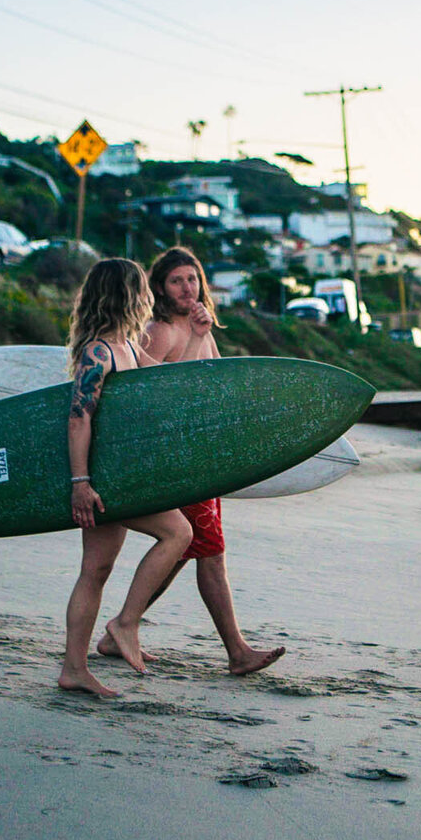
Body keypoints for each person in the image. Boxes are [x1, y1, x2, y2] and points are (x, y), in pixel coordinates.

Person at [95, 245, 285, 677]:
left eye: (193, 278)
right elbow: (147, 393)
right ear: (160, 287)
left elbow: (211, 386)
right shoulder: (159, 331)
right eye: (177, 280)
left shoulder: (200, 326)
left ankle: (117, 632)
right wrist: (197, 338)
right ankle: (235, 651)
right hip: (177, 463)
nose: (187, 287)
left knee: (183, 552)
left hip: (202, 460)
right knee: (211, 553)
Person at [57, 258, 194, 698]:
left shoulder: (129, 349)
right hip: (103, 480)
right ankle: (125, 622)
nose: (150, 297)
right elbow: (79, 419)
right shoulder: (98, 351)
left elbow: (176, 378)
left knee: (95, 570)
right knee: (178, 532)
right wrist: (80, 483)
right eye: (143, 290)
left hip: (113, 476)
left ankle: (74, 668)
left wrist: (200, 332)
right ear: (129, 296)